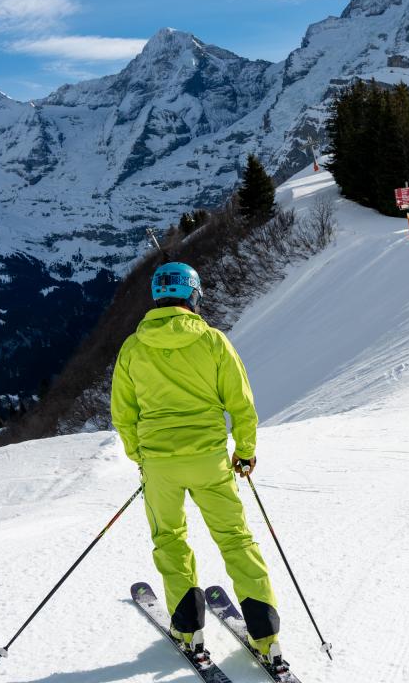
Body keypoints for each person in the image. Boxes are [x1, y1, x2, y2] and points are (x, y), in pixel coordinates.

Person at [111, 262, 283, 663]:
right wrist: (245, 450)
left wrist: (142, 458)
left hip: (160, 466)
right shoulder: (213, 341)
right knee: (236, 540)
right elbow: (241, 403)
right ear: (194, 295)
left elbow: (123, 414)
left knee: (170, 540)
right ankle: (266, 635)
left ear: (157, 298)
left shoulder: (133, 348)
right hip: (210, 461)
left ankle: (188, 630)